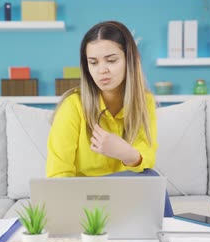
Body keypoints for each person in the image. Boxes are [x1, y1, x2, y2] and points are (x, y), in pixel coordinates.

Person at [46, 20, 173, 217]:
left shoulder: (144, 101)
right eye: (93, 62)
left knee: (151, 178)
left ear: (129, 60)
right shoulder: (73, 105)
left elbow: (146, 156)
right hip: (82, 199)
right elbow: (58, 174)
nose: (102, 70)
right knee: (151, 178)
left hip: (124, 196)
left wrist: (124, 152)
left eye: (111, 60)